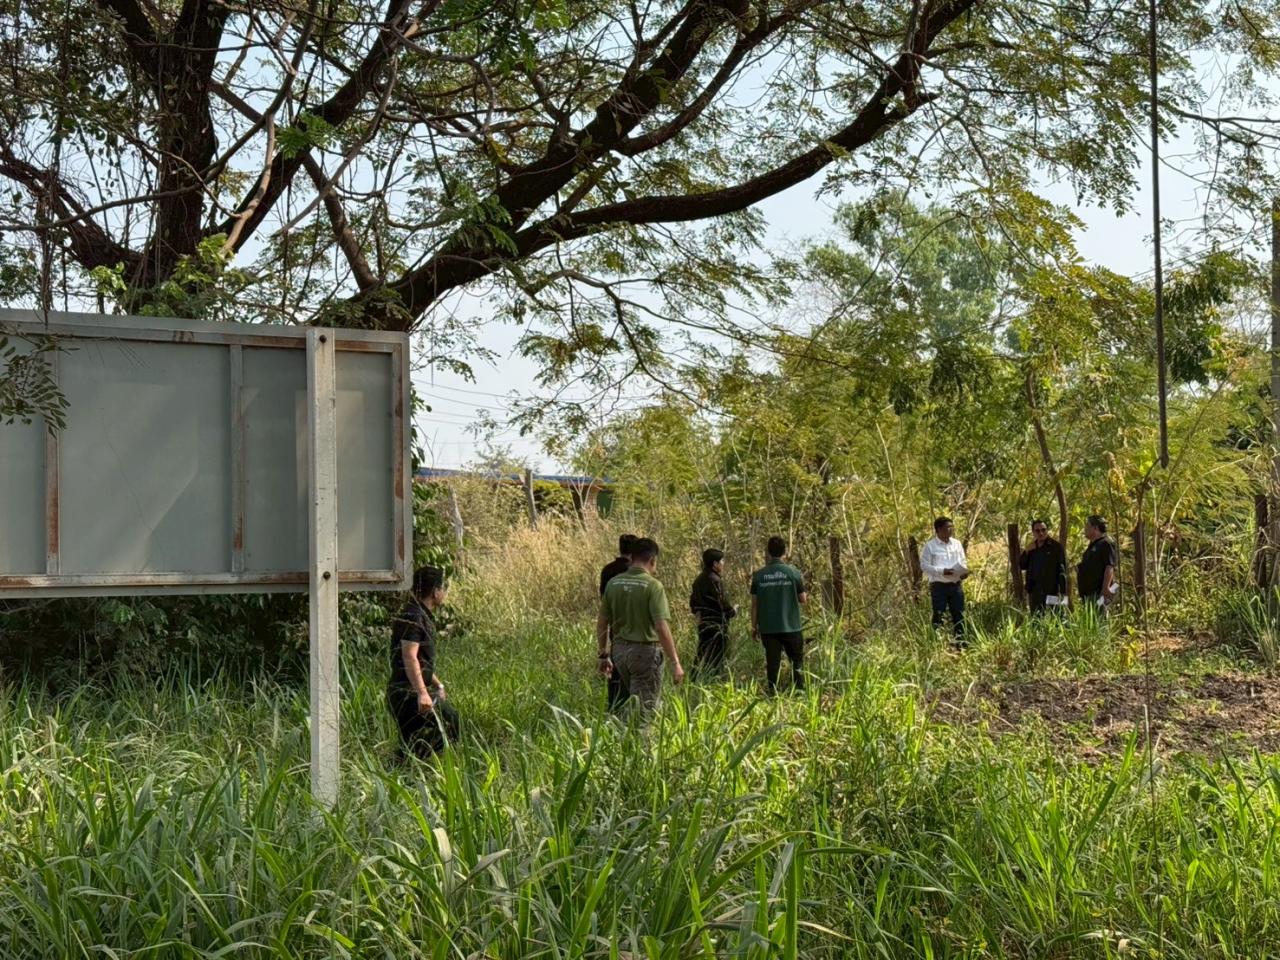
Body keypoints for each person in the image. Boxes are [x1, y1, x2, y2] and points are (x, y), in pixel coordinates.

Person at [597, 537, 684, 714]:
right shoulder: (653, 586)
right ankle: (639, 740)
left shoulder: (613, 583)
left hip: (619, 652)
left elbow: (602, 621)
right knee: (645, 710)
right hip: (644, 653)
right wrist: (675, 662)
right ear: (652, 560)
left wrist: (603, 654)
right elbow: (661, 626)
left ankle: (622, 734)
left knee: (629, 702)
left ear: (631, 558)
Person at [387, 565, 460, 759]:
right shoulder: (414, 617)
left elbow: (419, 660)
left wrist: (438, 684)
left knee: (408, 745)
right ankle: (420, 760)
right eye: (442, 587)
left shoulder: (416, 614)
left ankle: (403, 770)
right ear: (435, 591)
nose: (443, 592)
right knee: (453, 722)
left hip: (404, 692)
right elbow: (409, 656)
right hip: (407, 694)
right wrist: (422, 693)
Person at [750, 536, 808, 695]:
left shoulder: (759, 575)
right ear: (785, 551)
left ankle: (773, 694)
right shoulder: (793, 572)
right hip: (791, 626)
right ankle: (800, 693)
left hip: (768, 628)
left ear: (768, 552)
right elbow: (803, 599)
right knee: (796, 662)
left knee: (772, 663)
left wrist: (753, 627)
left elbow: (754, 605)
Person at [599, 533, 638, 711]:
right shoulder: (636, 571)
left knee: (617, 674)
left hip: (616, 626)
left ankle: (615, 710)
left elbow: (603, 601)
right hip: (638, 628)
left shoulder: (607, 570)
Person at [921, 516, 969, 648]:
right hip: (939, 586)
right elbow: (924, 566)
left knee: (959, 614)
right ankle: (937, 644)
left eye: (952, 527)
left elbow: (963, 561)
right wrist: (942, 571)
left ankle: (961, 644)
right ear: (938, 529)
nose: (950, 530)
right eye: (948, 528)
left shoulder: (957, 544)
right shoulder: (930, 546)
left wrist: (963, 572)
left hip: (956, 585)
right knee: (938, 614)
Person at [689, 548, 737, 678]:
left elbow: (693, 603)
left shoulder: (698, 580)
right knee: (717, 657)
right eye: (722, 561)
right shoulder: (715, 580)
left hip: (703, 624)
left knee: (701, 654)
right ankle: (713, 682)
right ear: (715, 564)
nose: (723, 563)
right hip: (717, 625)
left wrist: (698, 616)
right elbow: (722, 603)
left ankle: (693, 680)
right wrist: (733, 611)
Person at [1019, 518, 1067, 614]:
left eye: (1043, 530)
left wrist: (1062, 592)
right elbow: (1022, 565)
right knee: (1036, 620)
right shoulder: (1031, 547)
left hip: (1053, 591)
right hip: (1035, 592)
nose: (1041, 533)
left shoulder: (1056, 547)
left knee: (1057, 619)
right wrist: (1026, 551)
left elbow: (1062, 570)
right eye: (1037, 531)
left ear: (1047, 530)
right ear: (1033, 532)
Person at [1077, 515, 1118, 614]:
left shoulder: (1106, 543)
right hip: (1088, 594)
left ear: (1095, 528)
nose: (1085, 529)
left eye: (1087, 526)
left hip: (1099, 593)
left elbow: (1110, 566)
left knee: (1100, 621)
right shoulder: (1093, 545)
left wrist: (1106, 588)